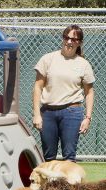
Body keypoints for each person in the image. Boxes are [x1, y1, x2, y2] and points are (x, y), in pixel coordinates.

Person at [32, 25, 95, 162]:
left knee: (69, 158)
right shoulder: (48, 59)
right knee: (49, 158)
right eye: (67, 38)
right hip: (48, 113)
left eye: (74, 39)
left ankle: (70, 184)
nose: (70, 42)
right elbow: (38, 87)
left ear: (79, 42)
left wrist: (88, 118)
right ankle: (49, 184)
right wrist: (37, 114)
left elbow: (89, 92)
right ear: (63, 39)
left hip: (72, 113)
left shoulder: (83, 64)